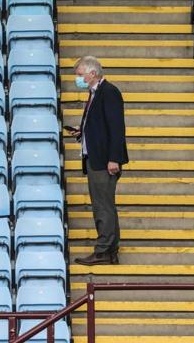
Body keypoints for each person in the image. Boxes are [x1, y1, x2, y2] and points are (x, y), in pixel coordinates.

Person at [68, 56, 128, 266]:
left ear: (92, 73)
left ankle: (103, 250)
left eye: (80, 74)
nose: (78, 78)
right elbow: (101, 126)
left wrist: (114, 158)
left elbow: (116, 128)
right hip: (97, 157)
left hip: (103, 160)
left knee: (103, 206)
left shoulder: (109, 92)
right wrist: (82, 131)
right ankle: (110, 250)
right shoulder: (95, 93)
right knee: (104, 205)